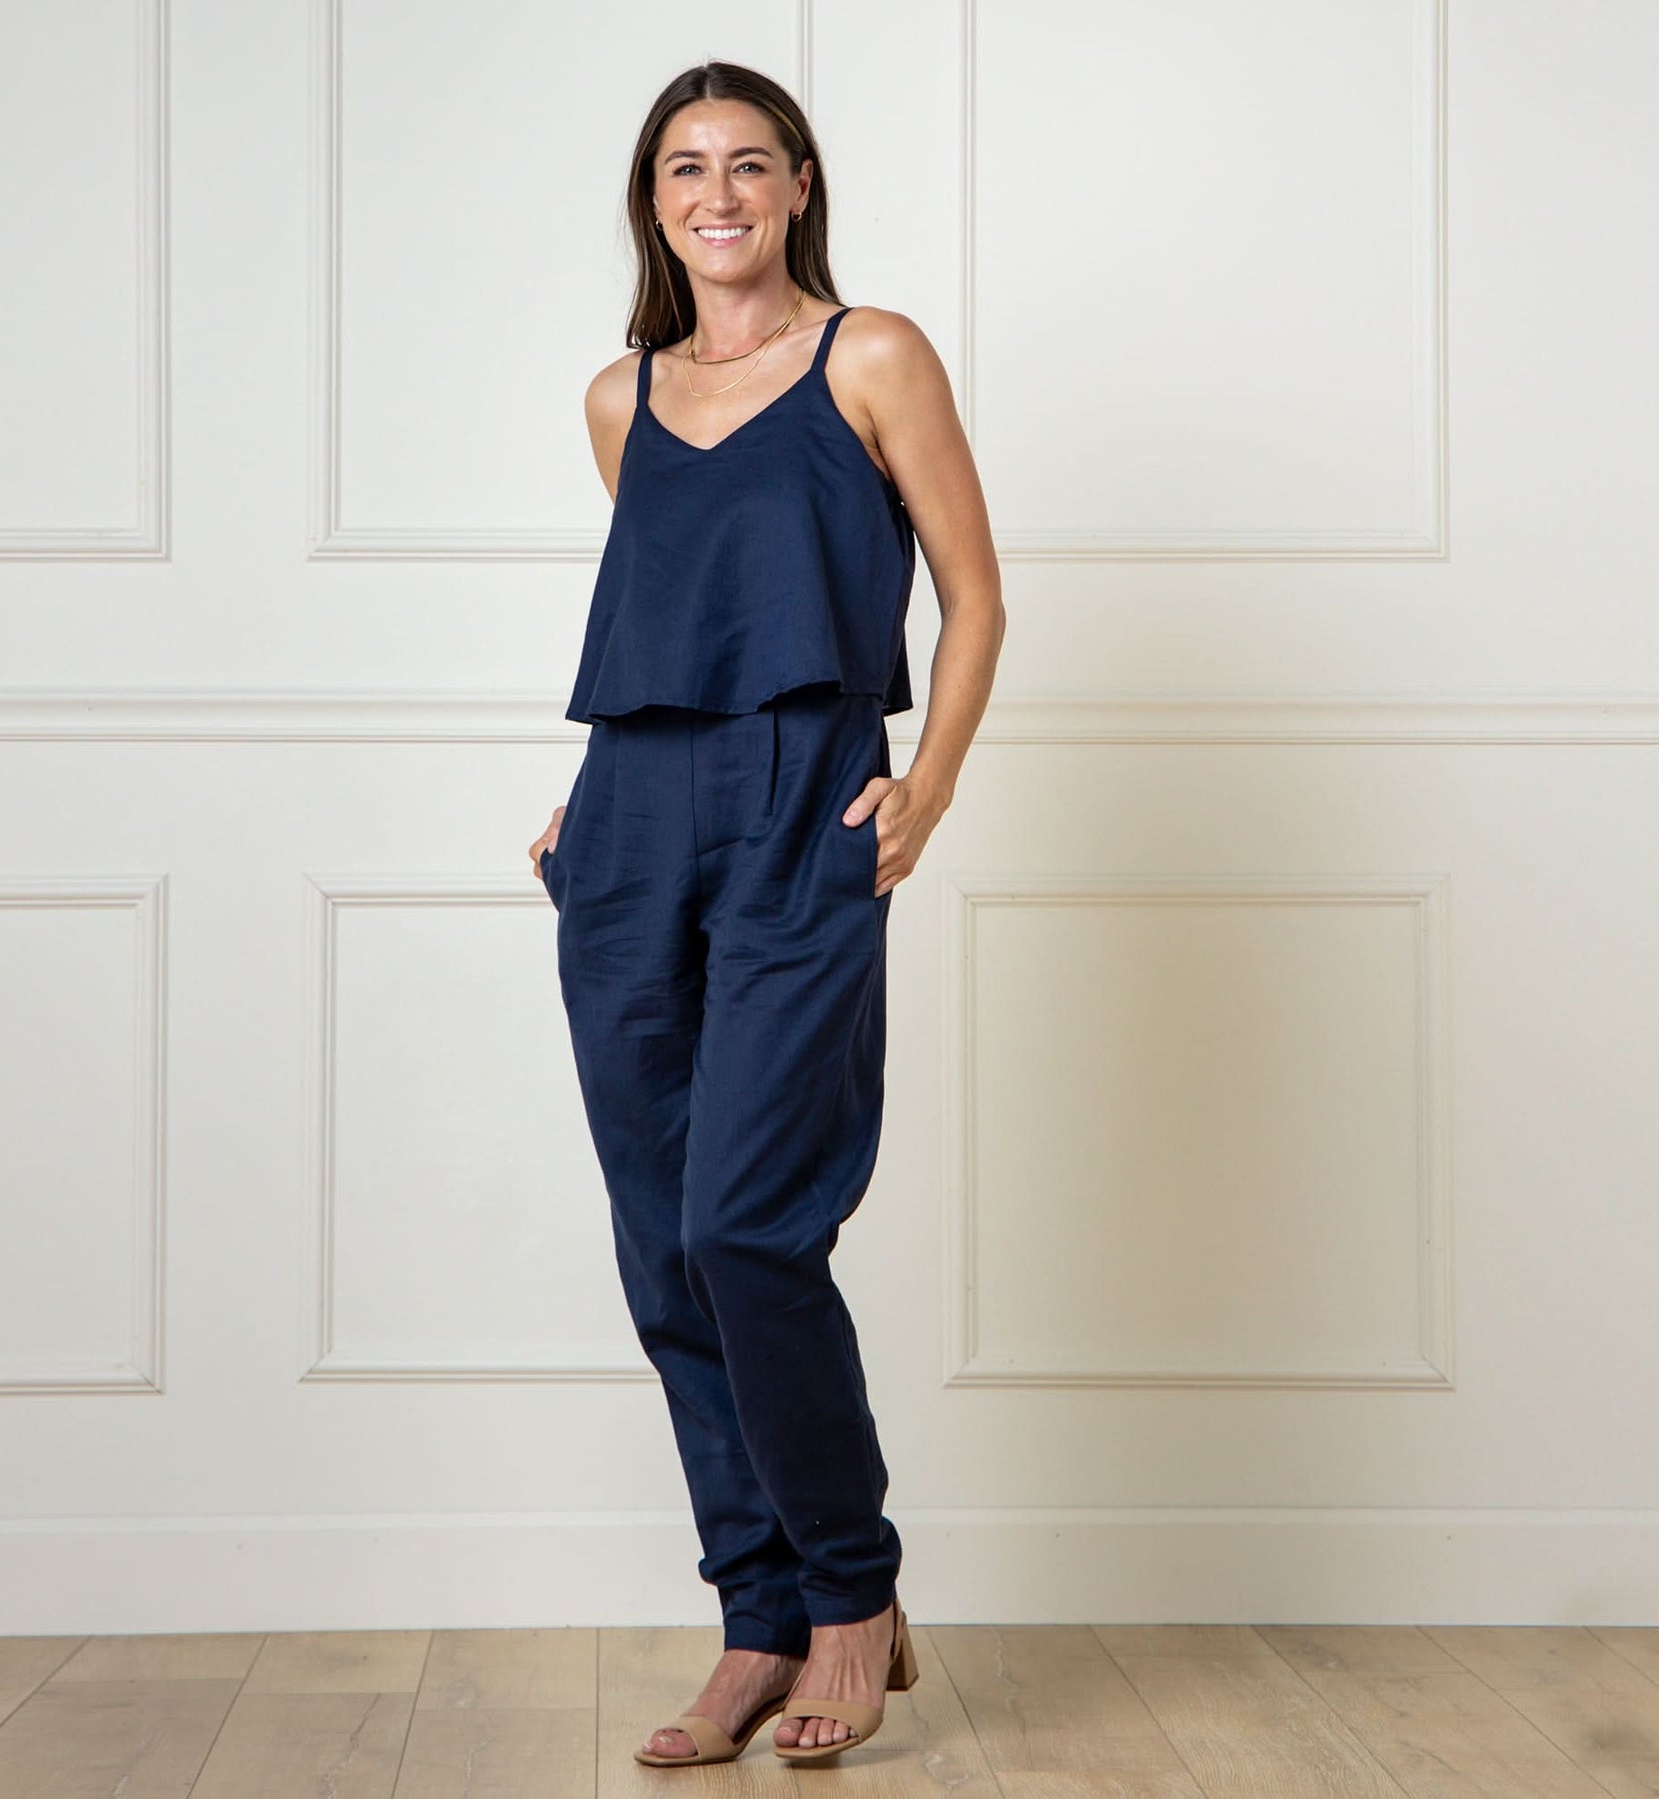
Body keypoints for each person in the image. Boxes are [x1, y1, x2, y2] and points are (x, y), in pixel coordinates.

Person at [529, 60, 1003, 1768]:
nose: (716, 194)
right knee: (664, 1245)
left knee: (746, 1225)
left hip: (807, 803)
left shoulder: (873, 357)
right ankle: (757, 1618)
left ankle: (852, 1593)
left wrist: (925, 784)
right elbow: (685, 616)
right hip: (630, 823)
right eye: (684, 169)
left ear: (799, 184)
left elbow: (974, 593)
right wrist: (596, 804)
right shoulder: (621, 396)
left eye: (749, 164)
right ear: (653, 202)